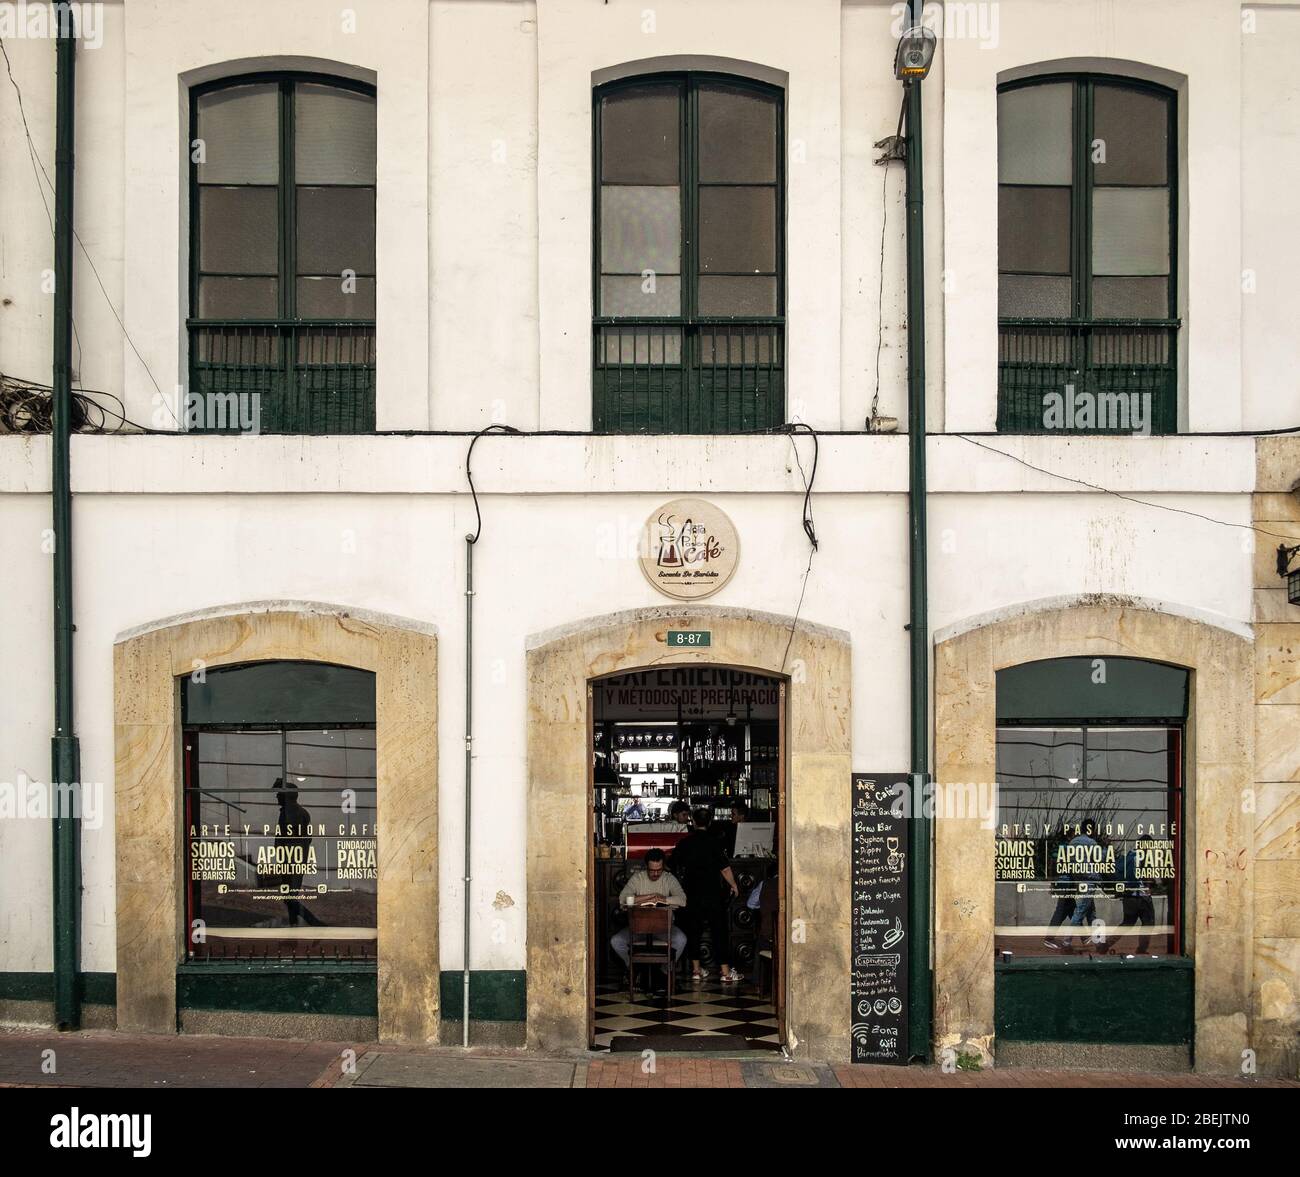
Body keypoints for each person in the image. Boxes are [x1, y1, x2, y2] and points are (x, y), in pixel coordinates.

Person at [673, 807, 743, 983]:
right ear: (710, 822)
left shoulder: (685, 843)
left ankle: (696, 970)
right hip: (713, 894)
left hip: (691, 894)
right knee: (719, 931)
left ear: (693, 822)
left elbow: (672, 864)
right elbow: (725, 868)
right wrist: (734, 885)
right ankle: (725, 972)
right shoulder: (715, 842)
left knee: (693, 931)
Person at [609, 849, 687, 982]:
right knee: (616, 941)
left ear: (663, 867)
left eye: (659, 870)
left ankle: (664, 972)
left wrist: (662, 899)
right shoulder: (638, 878)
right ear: (646, 867)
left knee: (681, 940)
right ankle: (634, 968)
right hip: (638, 928)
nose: (656, 874)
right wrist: (649, 896)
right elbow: (623, 898)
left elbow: (682, 900)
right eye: (652, 870)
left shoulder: (668, 878)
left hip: (664, 929)